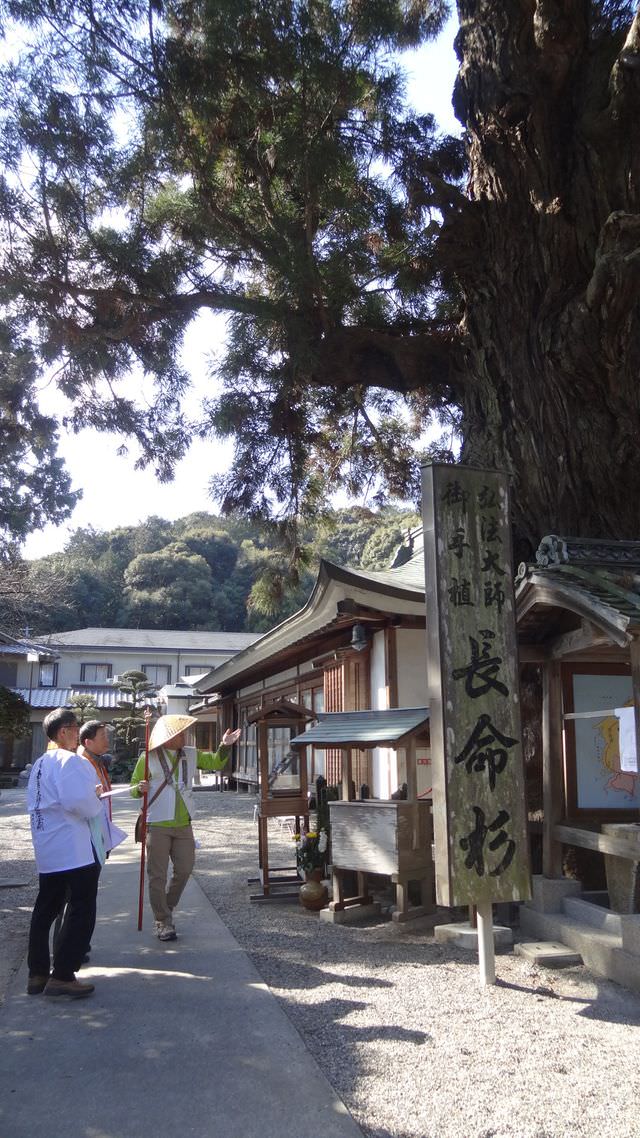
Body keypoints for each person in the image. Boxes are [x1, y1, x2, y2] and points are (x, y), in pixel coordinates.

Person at [131, 715, 240, 941]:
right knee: (157, 876)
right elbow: (133, 788)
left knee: (185, 869)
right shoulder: (148, 758)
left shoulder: (190, 754)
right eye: (180, 734)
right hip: (157, 823)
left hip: (184, 824)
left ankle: (166, 909)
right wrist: (139, 788)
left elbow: (215, 762)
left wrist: (225, 746)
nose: (184, 737)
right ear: (168, 737)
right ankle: (163, 921)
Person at [26, 708, 104, 1000]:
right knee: (81, 907)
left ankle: (37, 973)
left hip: (47, 844)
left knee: (45, 908)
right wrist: (95, 799)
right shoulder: (70, 761)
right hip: (72, 846)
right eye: (74, 728)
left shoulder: (40, 763)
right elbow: (78, 801)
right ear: (63, 732)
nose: (78, 733)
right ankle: (62, 974)